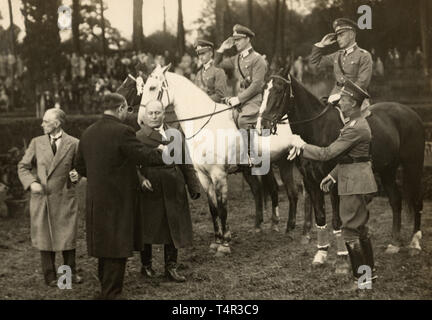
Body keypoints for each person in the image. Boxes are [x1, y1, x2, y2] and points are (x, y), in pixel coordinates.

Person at [74, 93, 165, 299]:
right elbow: (142, 155)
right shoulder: (123, 131)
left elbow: (80, 166)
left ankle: (106, 291)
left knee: (104, 248)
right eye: (127, 109)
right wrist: (166, 152)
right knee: (117, 247)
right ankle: (112, 294)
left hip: (95, 200)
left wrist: (101, 177)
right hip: (119, 200)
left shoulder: (87, 132)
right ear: (121, 108)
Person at [289, 79, 378, 287]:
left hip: (354, 181)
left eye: (345, 99)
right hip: (352, 176)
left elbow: (327, 153)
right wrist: (332, 176)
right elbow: (351, 157)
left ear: (354, 103)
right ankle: (369, 275)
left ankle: (363, 281)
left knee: (350, 231)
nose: (340, 102)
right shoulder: (353, 125)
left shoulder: (354, 128)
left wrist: (302, 145)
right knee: (360, 229)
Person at [135, 100, 201, 282]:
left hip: (174, 185)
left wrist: (193, 186)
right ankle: (146, 266)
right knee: (148, 227)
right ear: (145, 116)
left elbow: (185, 161)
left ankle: (171, 267)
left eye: (158, 113)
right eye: (151, 113)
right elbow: (133, 165)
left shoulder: (175, 133)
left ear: (164, 114)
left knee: (174, 226)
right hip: (151, 187)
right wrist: (141, 180)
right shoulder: (139, 136)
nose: (154, 116)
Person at [17, 108, 83, 287]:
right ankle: (50, 276)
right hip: (43, 198)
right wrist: (31, 183)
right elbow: (23, 167)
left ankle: (68, 275)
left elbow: (79, 167)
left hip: (64, 197)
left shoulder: (74, 143)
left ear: (57, 124)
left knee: (67, 238)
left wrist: (76, 175)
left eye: (46, 121)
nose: (42, 124)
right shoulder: (36, 143)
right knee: (46, 238)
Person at [215, 24, 267, 166]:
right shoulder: (236, 58)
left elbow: (256, 86)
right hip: (241, 100)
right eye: (235, 40)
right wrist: (221, 49)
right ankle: (234, 154)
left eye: (239, 39)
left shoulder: (258, 59)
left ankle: (252, 155)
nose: (235, 43)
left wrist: (238, 99)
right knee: (226, 118)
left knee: (243, 121)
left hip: (254, 100)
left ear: (248, 39)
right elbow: (217, 65)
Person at [309, 18, 373, 109]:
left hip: (356, 100)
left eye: (341, 35)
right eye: (337, 36)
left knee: (355, 122)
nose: (338, 39)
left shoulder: (364, 56)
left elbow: (362, 82)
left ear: (351, 35)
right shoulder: (337, 55)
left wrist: (343, 97)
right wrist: (321, 45)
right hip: (334, 96)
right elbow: (315, 63)